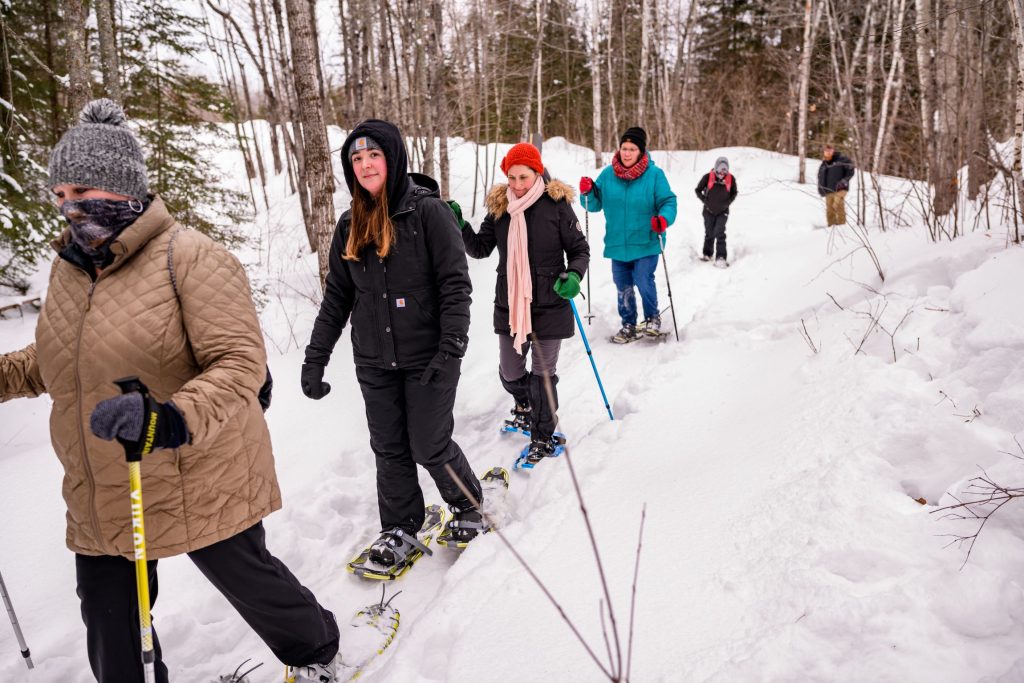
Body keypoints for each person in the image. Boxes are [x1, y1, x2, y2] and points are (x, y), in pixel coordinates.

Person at [0, 99, 340, 683]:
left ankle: (317, 650)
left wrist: (168, 418)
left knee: (246, 576)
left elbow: (240, 364)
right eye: (58, 194)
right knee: (111, 620)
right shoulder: (71, 268)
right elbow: (60, 362)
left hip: (197, 466)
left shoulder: (190, 258)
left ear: (120, 187)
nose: (67, 206)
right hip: (105, 482)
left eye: (80, 191)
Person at [301, 119, 484, 569]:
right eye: (356, 159)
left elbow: (455, 286)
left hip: (430, 356)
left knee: (429, 443)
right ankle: (401, 524)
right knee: (389, 447)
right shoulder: (349, 225)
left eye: (373, 155)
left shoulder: (429, 212)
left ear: (394, 158)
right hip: (374, 359)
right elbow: (338, 297)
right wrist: (315, 358)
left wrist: (452, 348)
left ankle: (468, 505)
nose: (364, 165)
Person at [454, 142, 590, 464]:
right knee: (511, 373)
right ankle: (524, 403)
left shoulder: (557, 204)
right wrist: (459, 226)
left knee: (542, 376)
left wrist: (574, 275)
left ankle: (543, 435)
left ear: (537, 172)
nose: (517, 184)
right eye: (512, 177)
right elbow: (480, 248)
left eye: (524, 177)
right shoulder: (501, 207)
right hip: (510, 305)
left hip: (550, 302)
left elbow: (580, 249)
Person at [579, 126, 677, 343]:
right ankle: (629, 324)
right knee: (622, 286)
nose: (627, 152)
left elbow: (668, 201)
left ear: (641, 151)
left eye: (632, 148)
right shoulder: (607, 175)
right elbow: (593, 205)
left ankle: (652, 318)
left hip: (646, 241)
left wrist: (664, 219)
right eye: (624, 147)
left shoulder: (654, 175)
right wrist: (587, 191)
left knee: (643, 279)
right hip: (618, 244)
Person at [694, 156, 738, 266]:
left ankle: (721, 257)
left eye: (725, 170)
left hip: (723, 212)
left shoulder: (731, 179)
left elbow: (734, 192)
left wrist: (727, 203)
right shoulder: (708, 177)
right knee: (709, 233)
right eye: (721, 169)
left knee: (719, 232)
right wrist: (705, 201)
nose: (723, 173)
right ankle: (707, 254)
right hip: (708, 210)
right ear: (716, 168)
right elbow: (698, 190)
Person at [817, 144, 855, 226]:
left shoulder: (841, 160)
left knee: (837, 205)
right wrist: (821, 189)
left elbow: (850, 169)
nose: (828, 153)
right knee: (829, 210)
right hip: (828, 190)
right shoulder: (824, 165)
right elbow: (820, 177)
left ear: (833, 151)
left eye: (830, 151)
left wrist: (844, 181)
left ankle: (842, 225)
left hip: (840, 188)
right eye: (826, 151)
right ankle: (831, 226)